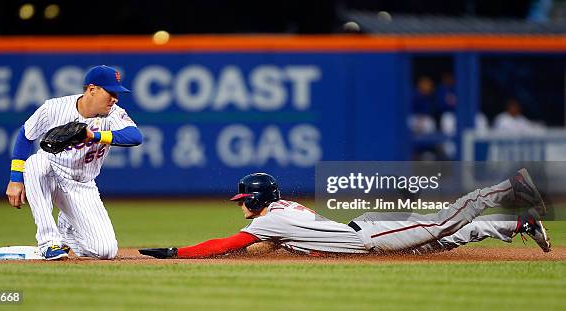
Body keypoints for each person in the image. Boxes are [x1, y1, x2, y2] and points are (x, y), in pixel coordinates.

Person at [139, 171, 551, 259]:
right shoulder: (282, 211)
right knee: (444, 238)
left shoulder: (268, 220)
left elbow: (225, 244)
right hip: (366, 232)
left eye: (244, 199)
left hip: (371, 236)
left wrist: (178, 251)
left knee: (444, 224)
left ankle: (507, 188)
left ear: (258, 198)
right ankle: (519, 222)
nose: (242, 205)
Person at [5, 65, 143, 260]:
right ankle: (48, 242)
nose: (115, 98)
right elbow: (25, 136)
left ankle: (67, 231)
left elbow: (134, 136)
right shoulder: (54, 107)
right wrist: (15, 178)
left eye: (117, 93)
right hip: (51, 171)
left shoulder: (114, 113)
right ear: (92, 89)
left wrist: (93, 135)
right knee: (36, 162)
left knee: (105, 251)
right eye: (110, 92)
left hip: (82, 185)